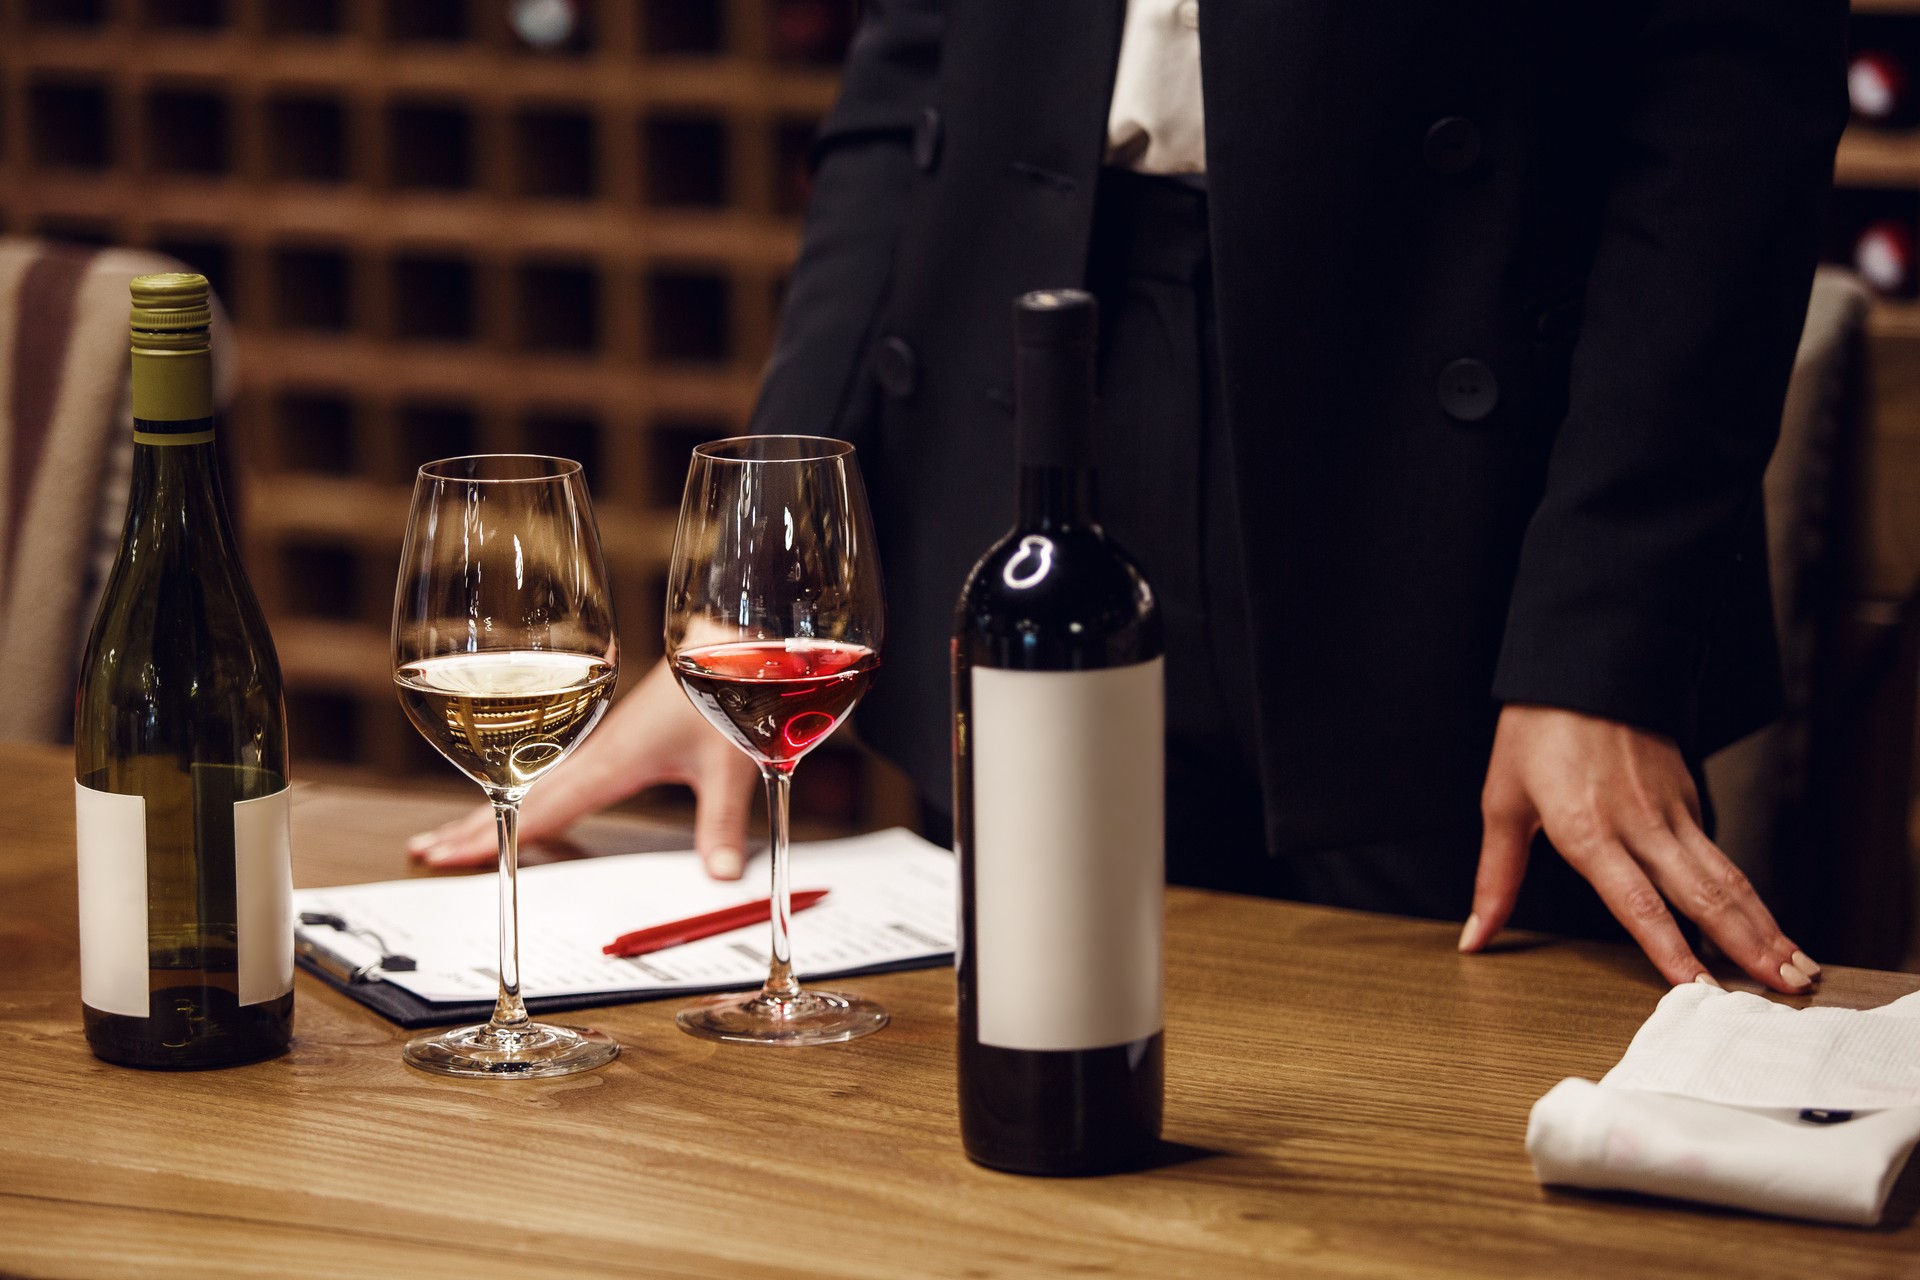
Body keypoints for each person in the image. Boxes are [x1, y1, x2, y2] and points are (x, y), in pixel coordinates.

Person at [411, 0, 1848, 996]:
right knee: (1014, 1124)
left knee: (1468, 1151)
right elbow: (913, 75)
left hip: (1457, 522)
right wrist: (754, 596)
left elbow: (1737, 98)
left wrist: (1604, 635)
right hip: (1023, 402)